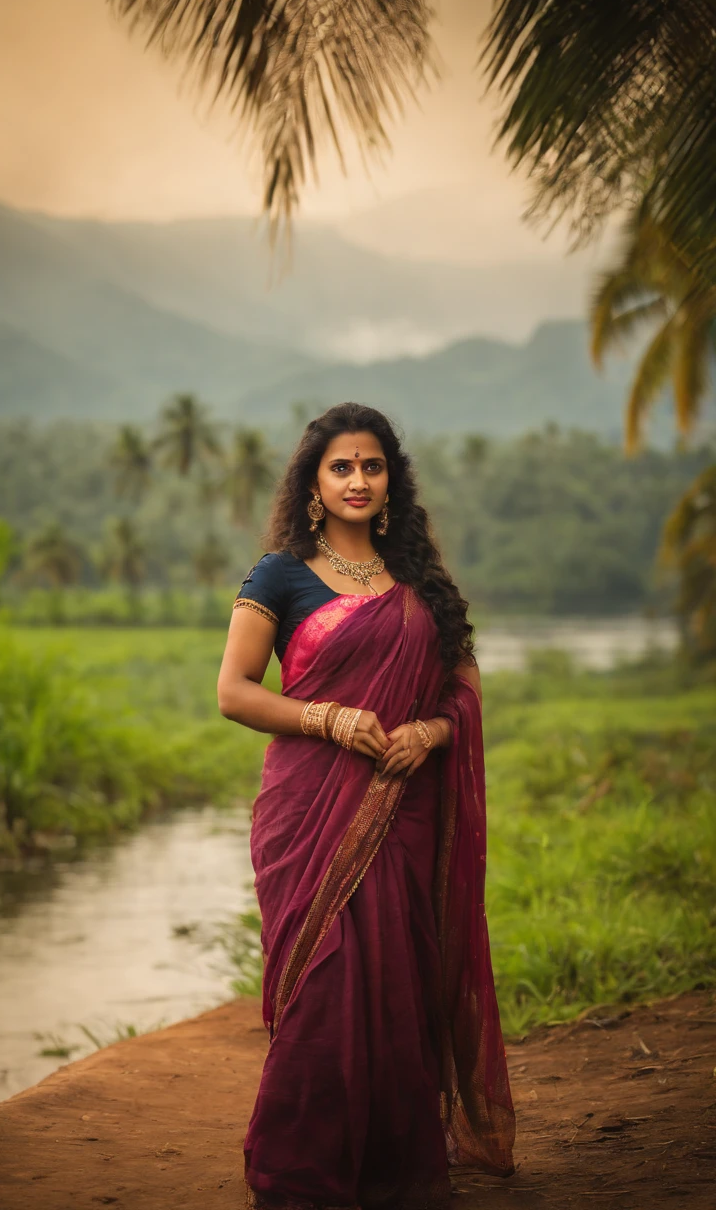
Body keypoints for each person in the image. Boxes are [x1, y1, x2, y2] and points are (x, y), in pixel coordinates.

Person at [217, 403, 515, 1210]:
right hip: (308, 811)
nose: (358, 479)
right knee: (327, 981)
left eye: (372, 466)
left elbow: (466, 686)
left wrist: (430, 730)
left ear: (392, 483)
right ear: (314, 481)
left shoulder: (421, 582)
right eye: (341, 466)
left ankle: (394, 1171)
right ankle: (299, 1175)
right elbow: (233, 691)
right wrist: (330, 718)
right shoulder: (279, 574)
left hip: (403, 808)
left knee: (399, 984)